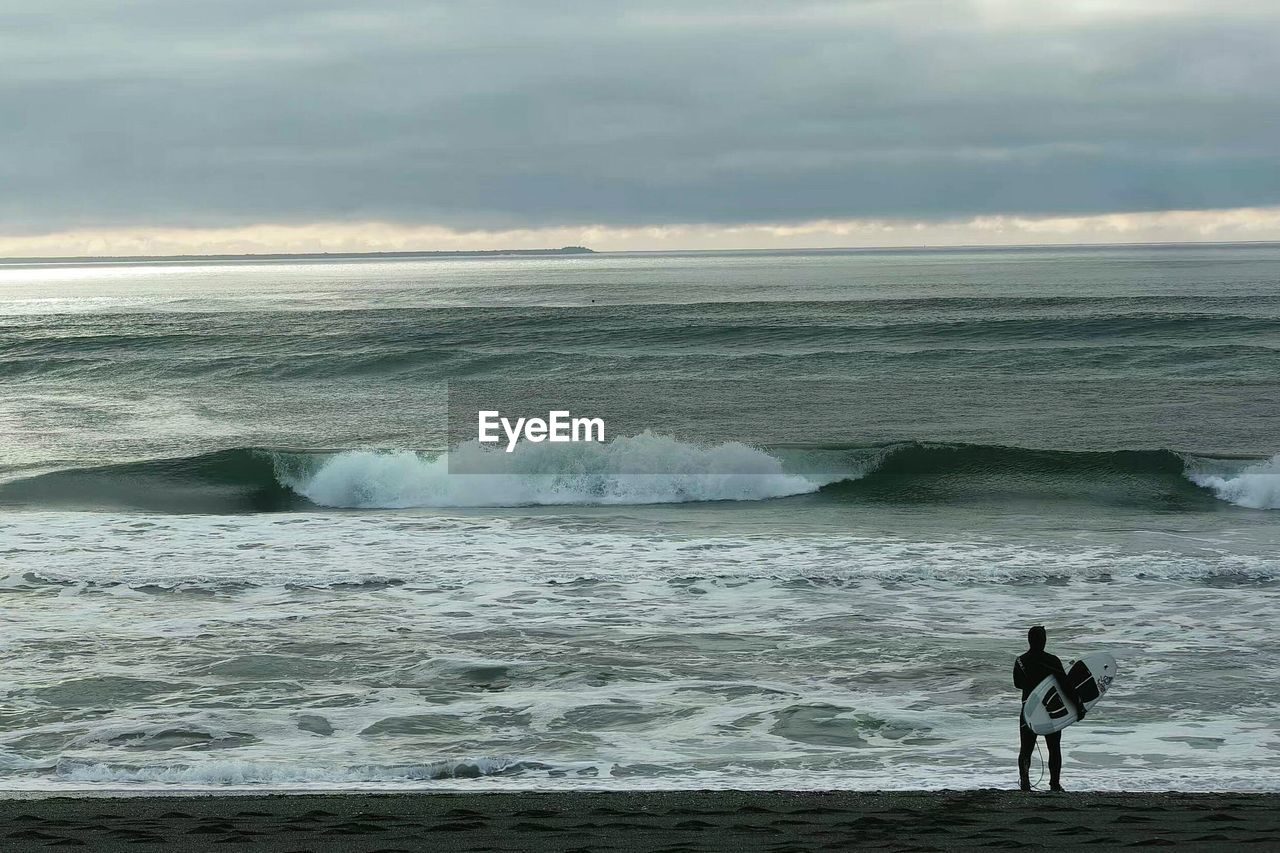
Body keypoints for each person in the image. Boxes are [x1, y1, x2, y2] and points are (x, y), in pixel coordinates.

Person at [1014, 625, 1085, 792]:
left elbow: (1017, 684)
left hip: (1028, 710)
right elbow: (1066, 686)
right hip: (1051, 710)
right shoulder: (1052, 660)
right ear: (1043, 640)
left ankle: (1025, 783)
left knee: (1026, 748)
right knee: (1054, 748)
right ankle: (1054, 784)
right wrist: (1078, 707)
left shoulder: (1020, 661)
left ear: (1029, 640)